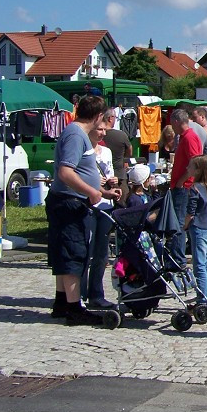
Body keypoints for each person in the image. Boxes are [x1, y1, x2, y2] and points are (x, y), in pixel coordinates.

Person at [47, 95, 121, 325]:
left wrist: (102, 191)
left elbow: (80, 171)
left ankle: (61, 303)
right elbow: (66, 172)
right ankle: (73, 308)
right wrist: (91, 192)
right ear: (99, 115)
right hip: (69, 202)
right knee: (72, 253)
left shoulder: (77, 134)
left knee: (66, 252)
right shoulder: (75, 135)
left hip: (73, 201)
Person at [81, 116, 119, 309]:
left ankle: (96, 293)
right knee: (85, 251)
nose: (103, 133)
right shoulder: (84, 151)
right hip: (88, 205)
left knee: (102, 253)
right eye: (100, 129)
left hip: (105, 205)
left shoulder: (106, 152)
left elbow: (111, 174)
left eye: (105, 130)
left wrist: (113, 182)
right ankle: (79, 293)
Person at [169, 109, 203, 270]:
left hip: (184, 187)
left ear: (176, 122)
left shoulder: (189, 138)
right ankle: (177, 257)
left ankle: (178, 259)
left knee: (179, 223)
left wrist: (181, 181)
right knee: (180, 222)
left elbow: (195, 163)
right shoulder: (185, 137)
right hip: (183, 185)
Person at [185, 155, 207, 309]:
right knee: (205, 264)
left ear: (198, 170)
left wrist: (182, 226)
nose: (187, 168)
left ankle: (203, 301)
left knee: (198, 265)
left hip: (198, 227)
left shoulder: (195, 188)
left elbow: (190, 213)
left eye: (191, 166)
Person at [101, 109, 132, 206]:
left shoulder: (95, 134)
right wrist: (124, 159)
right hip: (119, 176)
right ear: (110, 118)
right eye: (115, 117)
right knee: (122, 204)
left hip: (101, 178)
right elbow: (130, 150)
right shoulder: (121, 135)